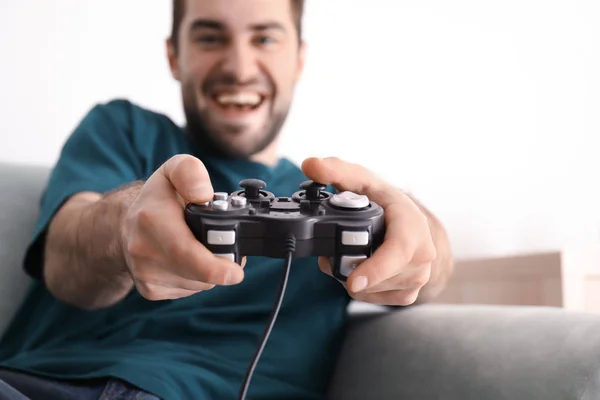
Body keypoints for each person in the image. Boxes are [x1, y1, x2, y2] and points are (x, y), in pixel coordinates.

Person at [0, 0, 454, 399]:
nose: (239, 66)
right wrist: (124, 227)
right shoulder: (123, 130)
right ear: (174, 56)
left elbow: (430, 269)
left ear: (299, 59)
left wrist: (413, 234)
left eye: (265, 38)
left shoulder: (339, 199)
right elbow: (64, 259)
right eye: (210, 37)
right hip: (37, 384)